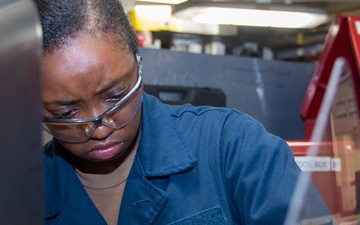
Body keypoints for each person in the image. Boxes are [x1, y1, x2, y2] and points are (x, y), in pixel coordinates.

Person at [35, 0, 333, 224]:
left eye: (114, 96)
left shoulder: (233, 147)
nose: (99, 129)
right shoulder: (26, 195)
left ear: (139, 66)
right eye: (66, 114)